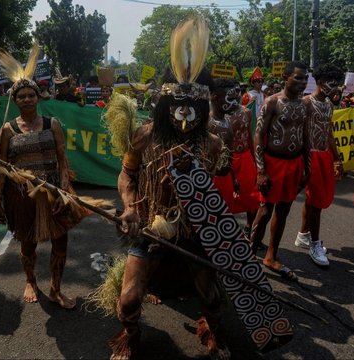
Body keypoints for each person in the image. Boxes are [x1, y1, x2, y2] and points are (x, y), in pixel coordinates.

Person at [109, 18, 265, 360]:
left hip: (195, 233)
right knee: (129, 300)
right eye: (178, 106)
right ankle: (131, 335)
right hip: (150, 230)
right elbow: (126, 176)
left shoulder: (210, 143)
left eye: (193, 107)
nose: (185, 114)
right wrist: (130, 207)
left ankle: (210, 326)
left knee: (211, 298)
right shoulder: (144, 136)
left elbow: (218, 185)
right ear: (165, 105)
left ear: (202, 107)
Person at [0, 43, 88, 308]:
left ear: (38, 97)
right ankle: (31, 280)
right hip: (21, 197)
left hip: (53, 192)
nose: (26, 99)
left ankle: (56, 289)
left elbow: (62, 159)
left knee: (60, 243)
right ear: (15, 99)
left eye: (30, 95)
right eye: (21, 96)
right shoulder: (9, 130)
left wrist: (65, 190)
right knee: (28, 245)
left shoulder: (52, 124)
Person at [250, 61, 309, 282]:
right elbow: (258, 136)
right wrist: (260, 171)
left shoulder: (305, 105)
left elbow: (305, 138)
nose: (303, 82)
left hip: (294, 164)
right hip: (272, 164)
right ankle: (249, 253)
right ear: (286, 77)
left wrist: (306, 169)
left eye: (305, 78)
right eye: (298, 78)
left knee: (283, 211)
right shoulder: (272, 102)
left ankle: (271, 256)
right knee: (265, 211)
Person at [295, 64, 345, 266]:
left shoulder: (329, 105)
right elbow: (298, 133)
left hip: (323, 156)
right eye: (332, 84)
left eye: (338, 85)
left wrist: (337, 158)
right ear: (321, 82)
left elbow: (329, 133)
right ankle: (315, 245)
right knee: (315, 203)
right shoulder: (305, 103)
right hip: (309, 157)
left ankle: (303, 235)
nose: (336, 89)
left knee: (314, 201)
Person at [210, 78, 258, 239]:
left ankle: (249, 228)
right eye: (230, 96)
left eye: (237, 94)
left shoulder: (246, 112)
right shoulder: (209, 121)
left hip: (243, 158)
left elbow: (249, 137)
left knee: (251, 196)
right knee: (219, 208)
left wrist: (255, 160)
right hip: (220, 167)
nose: (235, 99)